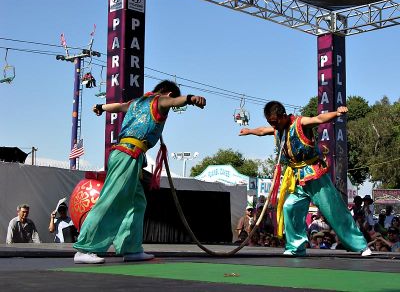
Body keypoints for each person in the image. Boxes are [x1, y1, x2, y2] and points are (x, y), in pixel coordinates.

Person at [73, 80, 206, 264]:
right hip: (128, 154)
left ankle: (131, 248)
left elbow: (118, 106)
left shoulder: (137, 102)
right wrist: (191, 99)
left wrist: (100, 106)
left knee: (137, 203)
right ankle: (85, 248)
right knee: (111, 200)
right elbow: (175, 102)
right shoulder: (160, 100)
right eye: (171, 99)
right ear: (168, 94)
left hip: (127, 155)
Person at [239, 101, 370, 256]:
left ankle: (361, 246)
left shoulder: (300, 123)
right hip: (296, 179)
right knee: (290, 208)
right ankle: (296, 248)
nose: (273, 126)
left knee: (334, 211)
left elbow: (319, 119)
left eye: (274, 122)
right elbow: (262, 131)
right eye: (270, 123)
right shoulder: (277, 129)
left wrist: (337, 113)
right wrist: (249, 131)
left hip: (315, 176)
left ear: (282, 116)